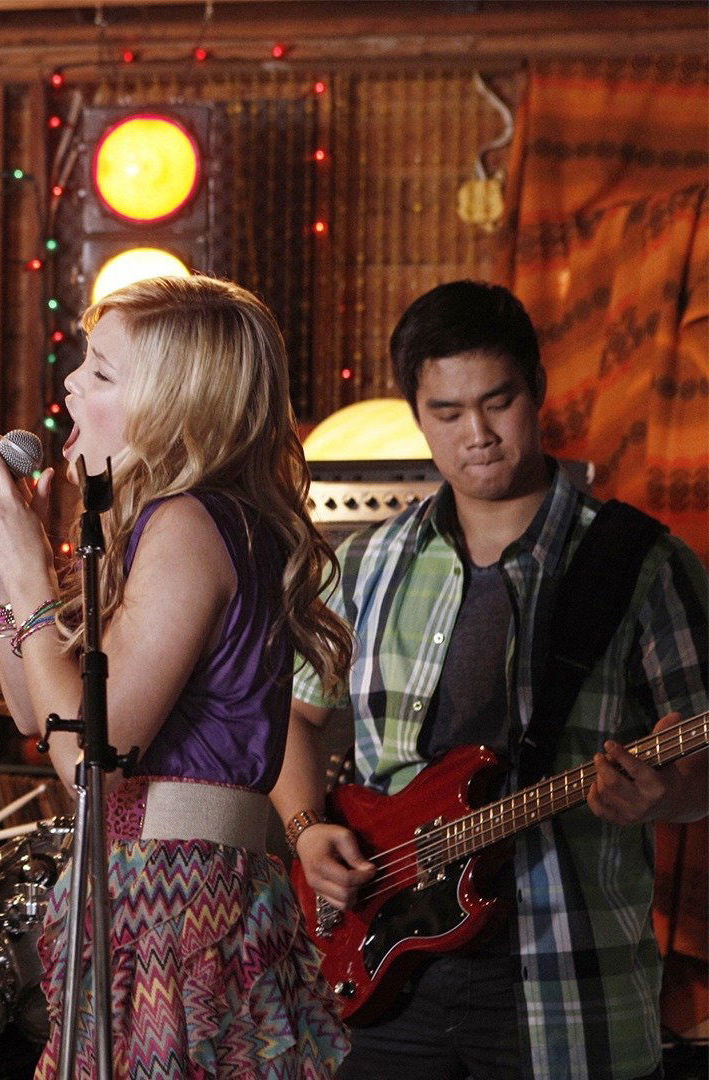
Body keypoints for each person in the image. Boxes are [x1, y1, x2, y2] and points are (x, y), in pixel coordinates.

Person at [273, 280, 708, 1079]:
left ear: (537, 389)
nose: (476, 434)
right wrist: (306, 830)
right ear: (417, 414)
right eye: (446, 412)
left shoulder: (642, 564)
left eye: (497, 402)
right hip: (379, 970)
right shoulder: (364, 564)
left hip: (564, 974)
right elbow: (295, 719)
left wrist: (665, 796)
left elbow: (701, 763)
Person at [0, 275, 352, 1077]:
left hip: (181, 903)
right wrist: (4, 562)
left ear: (174, 407)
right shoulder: (159, 526)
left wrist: (30, 574)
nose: (70, 383)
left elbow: (87, 759)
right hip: (146, 887)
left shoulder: (190, 523)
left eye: (101, 372)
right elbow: (33, 712)